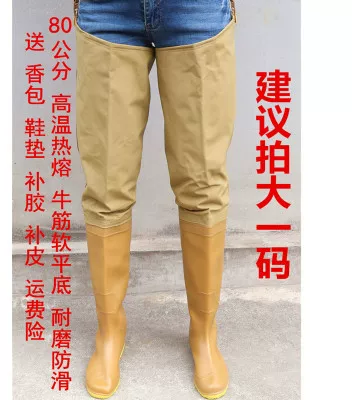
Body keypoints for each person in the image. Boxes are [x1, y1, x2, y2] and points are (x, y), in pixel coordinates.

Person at [74, 0, 237, 398]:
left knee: (203, 185)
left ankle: (203, 332)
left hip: (196, 10)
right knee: (106, 187)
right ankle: (109, 329)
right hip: (107, 11)